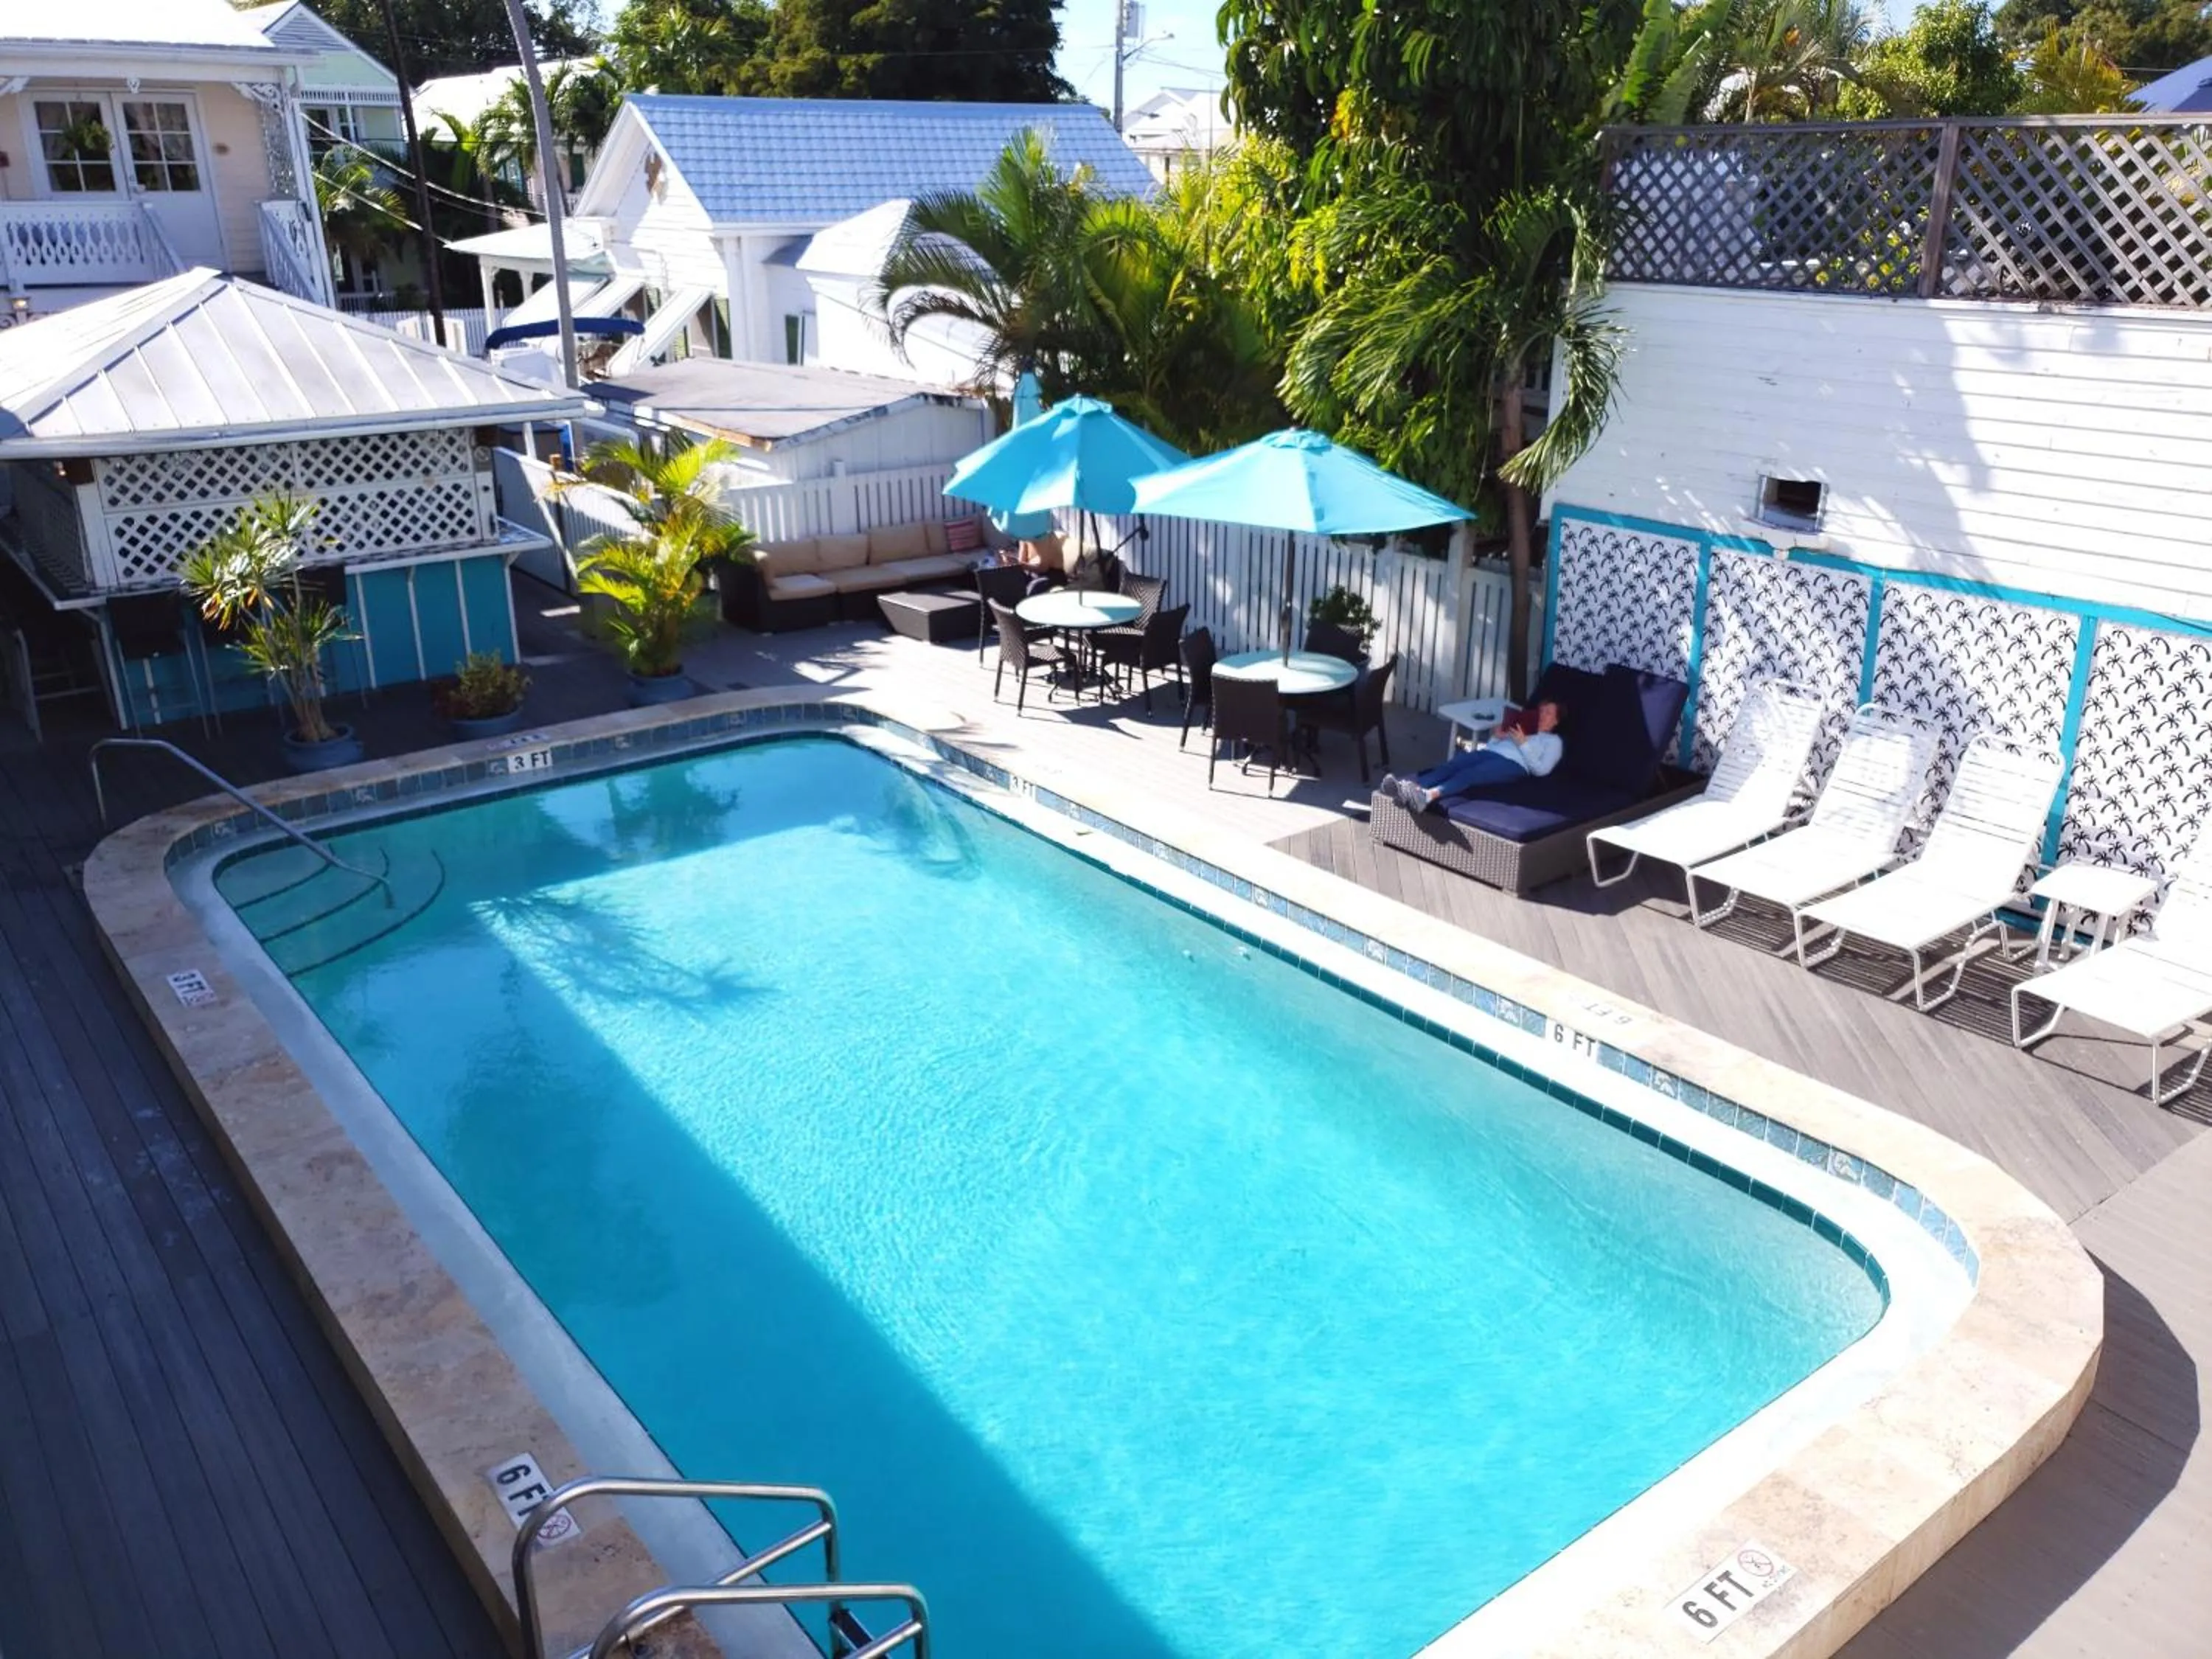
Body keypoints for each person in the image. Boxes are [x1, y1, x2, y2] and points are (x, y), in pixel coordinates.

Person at [1380, 700, 1562, 811]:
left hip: (1515, 765)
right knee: (1453, 764)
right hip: (1490, 752)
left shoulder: (1553, 742)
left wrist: (1523, 743)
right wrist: (1497, 736)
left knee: (1471, 774)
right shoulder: (1524, 727)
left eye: (1548, 713)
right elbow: (1493, 745)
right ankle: (1407, 789)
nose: (1542, 714)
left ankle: (1427, 796)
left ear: (1556, 721)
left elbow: (1542, 770)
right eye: (1542, 710)